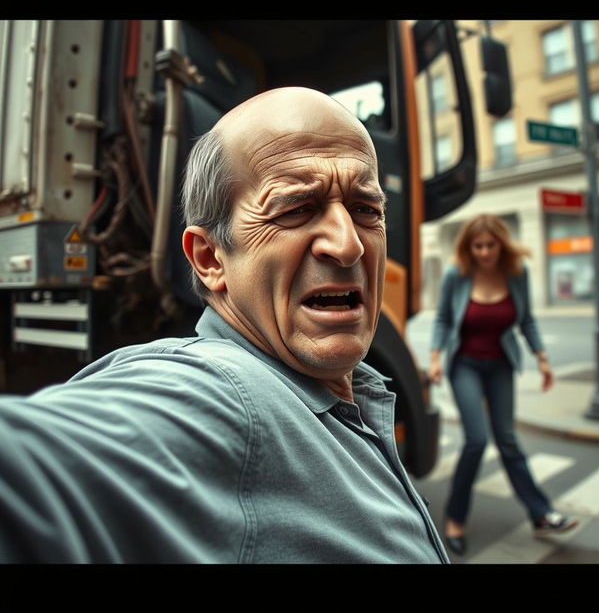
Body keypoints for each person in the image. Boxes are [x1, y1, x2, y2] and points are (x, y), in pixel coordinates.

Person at [0, 87, 448, 563]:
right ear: (211, 258)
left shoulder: (346, 392)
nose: (349, 245)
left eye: (365, 210)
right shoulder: (222, 394)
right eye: (296, 208)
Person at [428, 214, 578, 556]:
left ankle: (541, 514)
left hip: (500, 366)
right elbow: (442, 319)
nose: (483, 253)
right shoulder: (457, 274)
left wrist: (541, 357)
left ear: (501, 244)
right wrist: (435, 359)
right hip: (464, 364)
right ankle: (454, 517)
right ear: (469, 247)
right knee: (477, 440)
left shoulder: (516, 273)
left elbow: (526, 320)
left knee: (508, 439)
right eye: (477, 246)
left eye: (490, 245)